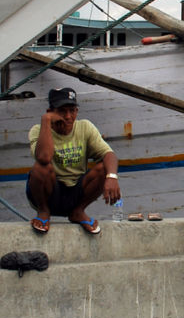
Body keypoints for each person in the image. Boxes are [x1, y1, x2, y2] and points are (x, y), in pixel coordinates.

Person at [27, 87, 120, 234]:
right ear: (50, 112)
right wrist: (46, 121)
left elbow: (109, 154)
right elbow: (44, 157)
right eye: (62, 111)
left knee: (104, 168)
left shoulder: (85, 127)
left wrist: (112, 177)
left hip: (76, 191)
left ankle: (78, 211)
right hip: (50, 192)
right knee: (40, 168)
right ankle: (43, 211)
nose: (68, 116)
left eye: (72, 110)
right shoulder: (38, 130)